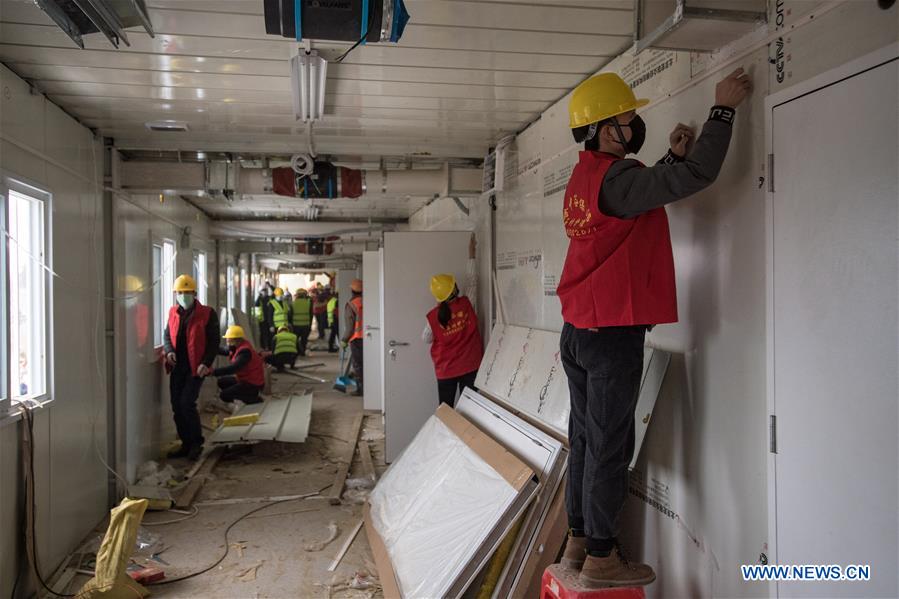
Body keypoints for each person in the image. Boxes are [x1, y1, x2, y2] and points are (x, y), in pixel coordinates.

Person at [556, 69, 751, 588]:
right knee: (607, 445)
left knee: (585, 439)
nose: (633, 125)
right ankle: (601, 557)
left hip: (579, 330)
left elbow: (629, 204)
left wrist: (666, 160)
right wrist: (723, 110)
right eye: (626, 119)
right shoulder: (616, 178)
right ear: (604, 129)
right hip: (611, 332)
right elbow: (696, 178)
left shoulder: (587, 177)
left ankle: (579, 539)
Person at [163, 274, 220, 461]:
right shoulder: (173, 312)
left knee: (187, 403)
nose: (183, 295)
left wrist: (206, 363)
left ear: (194, 293)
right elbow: (166, 335)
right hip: (178, 368)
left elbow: (214, 342)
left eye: (187, 292)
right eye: (180, 292)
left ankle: (197, 443)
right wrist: (169, 350)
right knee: (176, 407)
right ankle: (186, 444)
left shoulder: (207, 313)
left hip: (197, 368)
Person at [422, 235, 481, 407]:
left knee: (445, 411)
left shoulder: (434, 317)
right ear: (455, 288)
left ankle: (444, 434)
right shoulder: (467, 304)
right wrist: (472, 254)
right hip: (470, 366)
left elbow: (425, 338)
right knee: (469, 411)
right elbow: (472, 282)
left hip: (446, 371)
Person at [210, 325, 265, 405]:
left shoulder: (245, 352)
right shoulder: (236, 347)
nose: (227, 342)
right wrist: (210, 349)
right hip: (245, 379)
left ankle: (253, 398)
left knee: (224, 395)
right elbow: (224, 350)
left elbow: (233, 368)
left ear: (238, 340)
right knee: (221, 382)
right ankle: (244, 395)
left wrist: (213, 372)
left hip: (253, 384)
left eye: (229, 340)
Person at [340, 279, 364, 396]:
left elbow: (350, 327)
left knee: (358, 365)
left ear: (352, 290)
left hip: (357, 338)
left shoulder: (351, 305)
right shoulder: (368, 301)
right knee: (368, 363)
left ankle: (361, 389)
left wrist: (344, 340)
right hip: (370, 337)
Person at [291, 288, 313, 356]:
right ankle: (302, 352)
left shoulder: (293, 303)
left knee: (295, 340)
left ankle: (297, 352)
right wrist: (310, 324)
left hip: (295, 325)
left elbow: (290, 315)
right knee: (304, 340)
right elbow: (311, 314)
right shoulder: (308, 302)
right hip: (306, 325)